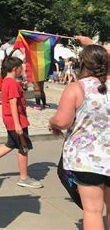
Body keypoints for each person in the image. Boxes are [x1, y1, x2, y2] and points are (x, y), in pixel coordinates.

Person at [49, 45, 109, 230]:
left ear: (83, 63)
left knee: (93, 211)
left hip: (87, 159)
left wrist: (53, 122)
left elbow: (63, 121)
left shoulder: (77, 88)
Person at [0, 56, 43, 188]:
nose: (23, 69)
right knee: (24, 147)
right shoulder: (12, 83)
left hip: (10, 118)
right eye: (21, 67)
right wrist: (18, 124)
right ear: (15, 69)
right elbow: (13, 103)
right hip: (16, 119)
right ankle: (24, 178)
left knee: (11, 144)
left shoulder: (7, 81)